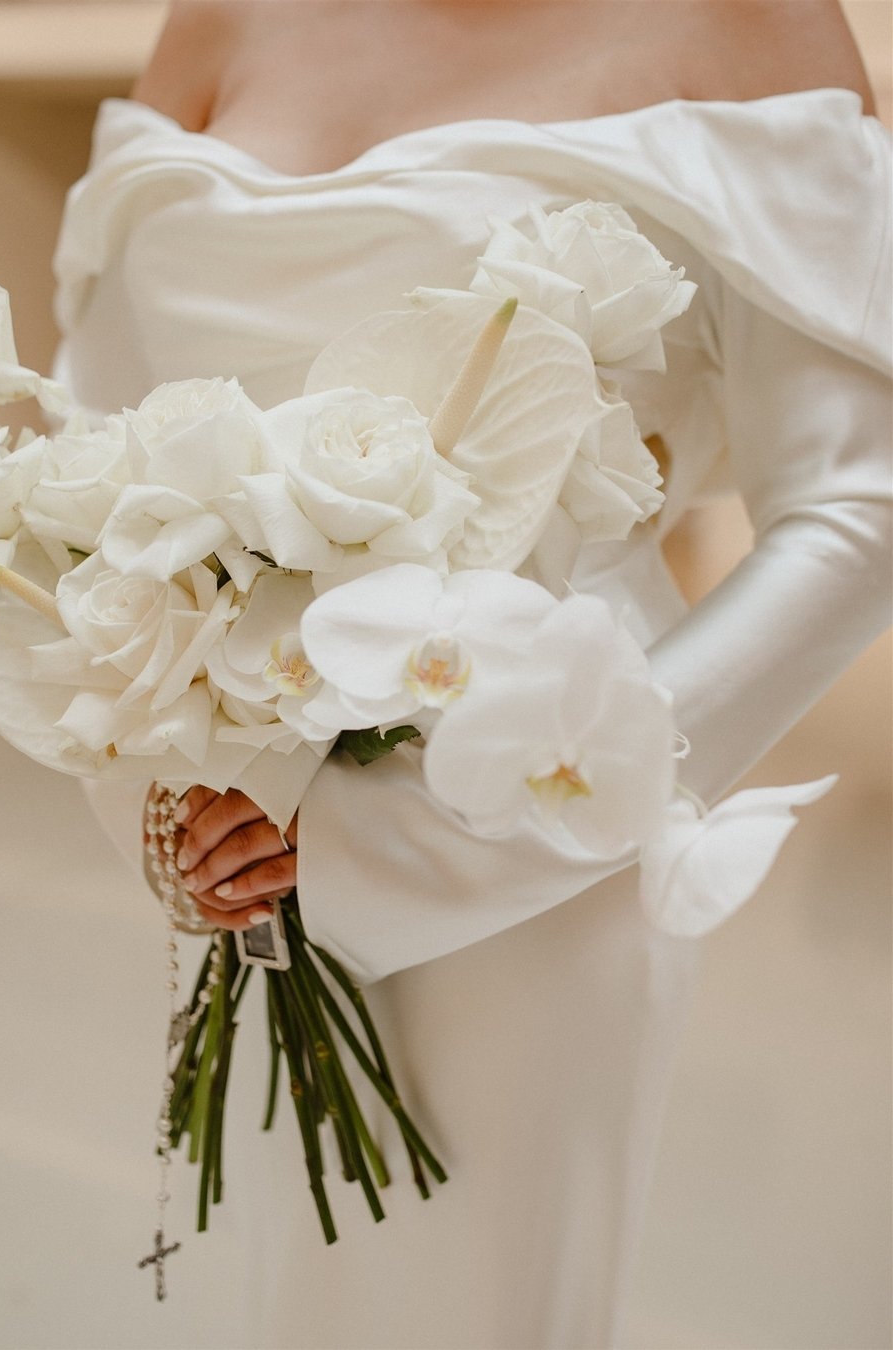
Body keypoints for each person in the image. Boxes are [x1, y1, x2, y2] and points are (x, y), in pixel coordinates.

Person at [52, 2, 891, 1344]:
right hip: (236, 839)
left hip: (532, 853)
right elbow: (84, 469)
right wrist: (168, 803)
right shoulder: (220, 21)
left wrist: (452, 829)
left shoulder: (751, 23)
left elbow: (859, 516)